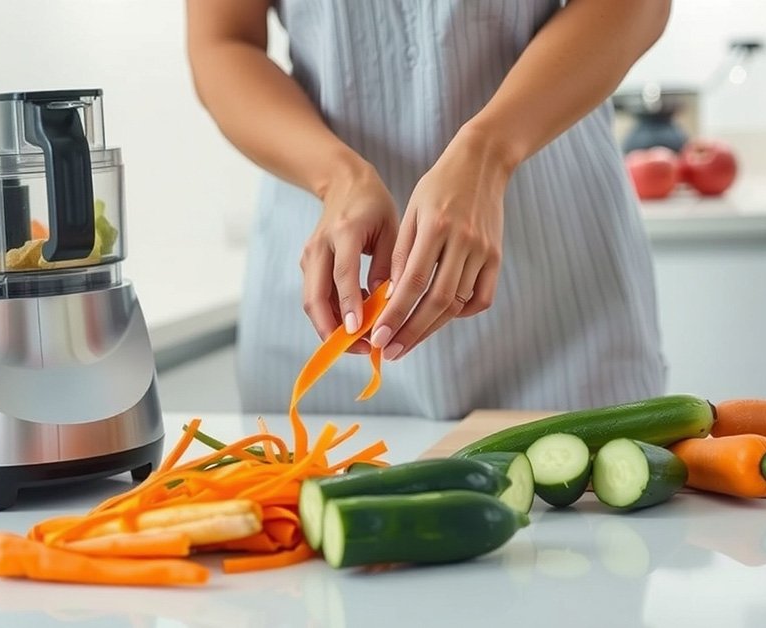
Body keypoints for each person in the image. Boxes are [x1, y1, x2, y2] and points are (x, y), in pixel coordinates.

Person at [186, 0, 670, 420]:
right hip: (326, 308)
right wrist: (335, 176)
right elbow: (222, 42)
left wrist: (491, 149)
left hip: (564, 301)